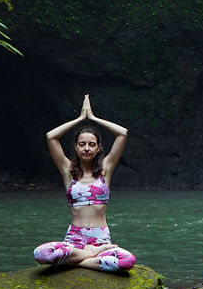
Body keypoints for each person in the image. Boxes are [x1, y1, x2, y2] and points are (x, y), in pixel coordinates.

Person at [33, 94, 136, 272]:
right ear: (75, 147)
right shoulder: (68, 170)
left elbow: (122, 133)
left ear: (98, 148)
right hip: (74, 239)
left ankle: (77, 261)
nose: (86, 148)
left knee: (127, 261)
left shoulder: (106, 168)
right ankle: (92, 255)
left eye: (91, 144)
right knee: (41, 254)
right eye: (82, 144)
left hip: (101, 238)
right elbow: (51, 137)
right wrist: (80, 119)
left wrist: (94, 118)